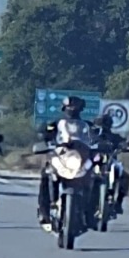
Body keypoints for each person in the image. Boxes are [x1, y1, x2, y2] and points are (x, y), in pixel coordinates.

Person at [37, 95, 92, 231]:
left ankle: (91, 212)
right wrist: (45, 138)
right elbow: (45, 135)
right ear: (64, 108)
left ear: (81, 109)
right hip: (61, 156)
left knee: (95, 176)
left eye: (75, 107)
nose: (72, 109)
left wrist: (101, 145)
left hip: (80, 157)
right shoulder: (55, 124)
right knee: (47, 174)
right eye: (69, 106)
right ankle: (45, 210)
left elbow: (97, 138)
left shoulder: (88, 126)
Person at [92, 112, 129, 219]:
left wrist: (127, 145)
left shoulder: (114, 137)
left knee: (124, 175)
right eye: (101, 122)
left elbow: (124, 143)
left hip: (111, 162)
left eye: (105, 123)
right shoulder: (90, 135)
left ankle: (118, 202)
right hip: (93, 162)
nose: (102, 125)